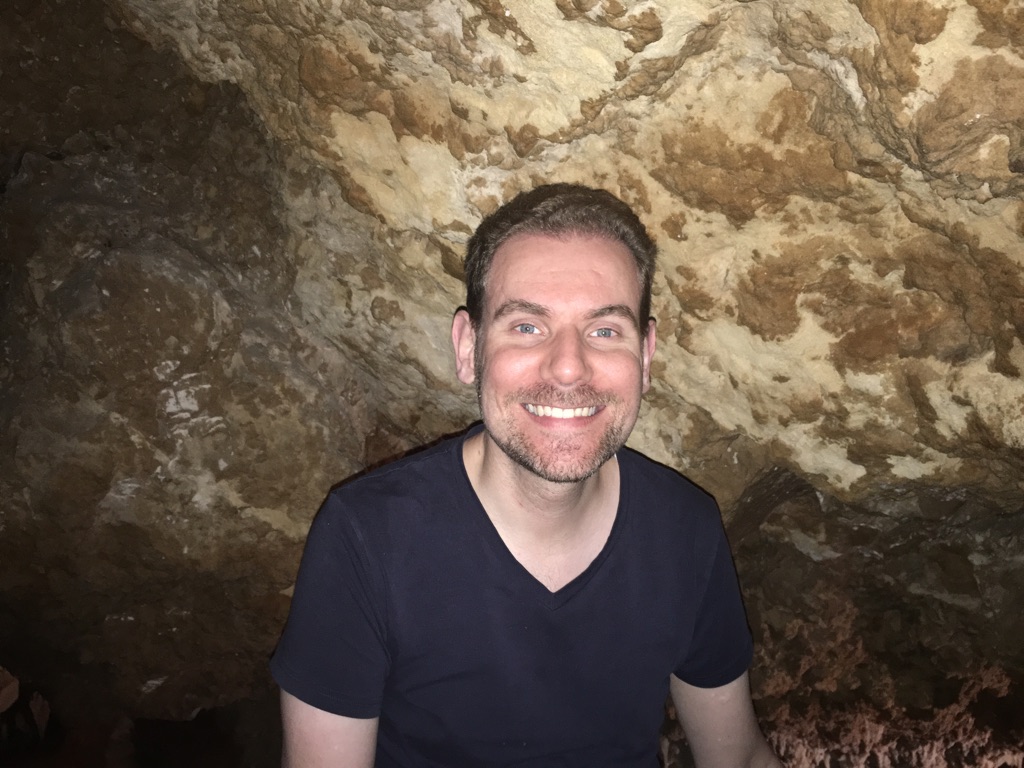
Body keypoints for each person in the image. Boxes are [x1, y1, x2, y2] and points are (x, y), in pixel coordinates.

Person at [270, 183, 782, 767]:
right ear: (469, 348)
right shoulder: (368, 538)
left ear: (645, 356)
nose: (567, 367)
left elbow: (737, 758)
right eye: (527, 326)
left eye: (605, 330)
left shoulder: (685, 529)